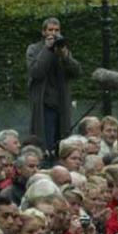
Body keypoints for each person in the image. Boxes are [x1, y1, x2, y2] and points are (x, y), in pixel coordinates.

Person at [27, 17, 81, 156]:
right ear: (43, 32)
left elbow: (76, 72)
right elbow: (36, 72)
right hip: (44, 104)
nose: (54, 33)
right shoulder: (34, 49)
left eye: (57, 30)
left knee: (63, 143)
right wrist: (47, 50)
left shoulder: (62, 49)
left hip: (62, 104)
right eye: (50, 30)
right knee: (46, 143)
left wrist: (65, 55)